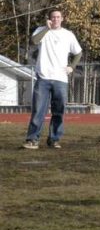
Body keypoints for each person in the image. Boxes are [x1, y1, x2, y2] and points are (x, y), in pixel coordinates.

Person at [22, 9, 82, 150]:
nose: (55, 19)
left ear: (62, 18)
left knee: (59, 111)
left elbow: (78, 52)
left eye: (58, 17)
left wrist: (71, 67)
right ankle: (32, 140)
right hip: (43, 78)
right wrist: (47, 29)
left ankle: (54, 139)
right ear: (49, 19)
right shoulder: (41, 30)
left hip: (60, 79)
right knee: (38, 110)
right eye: (53, 17)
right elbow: (34, 41)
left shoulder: (68, 35)